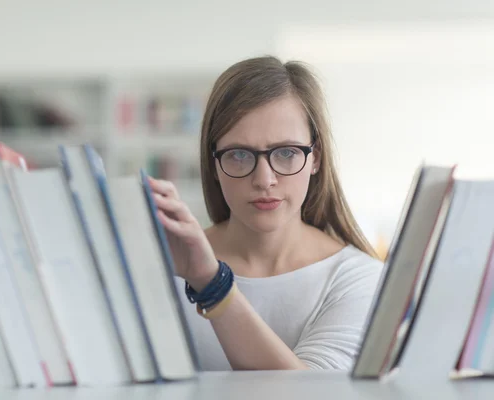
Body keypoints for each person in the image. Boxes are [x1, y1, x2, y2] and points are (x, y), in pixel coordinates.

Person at [148, 56, 383, 371]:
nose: (264, 179)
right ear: (214, 165)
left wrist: (211, 284)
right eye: (239, 155)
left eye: (286, 153)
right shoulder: (164, 268)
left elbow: (311, 394)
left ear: (315, 158)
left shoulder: (357, 278)